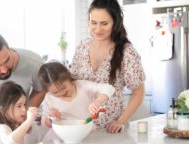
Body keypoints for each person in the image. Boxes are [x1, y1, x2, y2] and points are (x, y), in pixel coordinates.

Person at [70, 0, 145, 133]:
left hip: (110, 129)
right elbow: (72, 84)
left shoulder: (126, 52)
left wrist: (121, 121)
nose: (98, 29)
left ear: (115, 23)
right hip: (80, 126)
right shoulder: (82, 46)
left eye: (104, 23)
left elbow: (138, 92)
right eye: (93, 23)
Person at [38, 62, 115, 128]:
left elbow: (109, 88)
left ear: (69, 78)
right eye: (55, 92)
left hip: (87, 132)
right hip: (63, 135)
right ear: (48, 91)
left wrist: (97, 102)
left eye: (64, 87)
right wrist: (51, 119)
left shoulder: (82, 86)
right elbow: (43, 123)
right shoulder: (48, 98)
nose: (61, 93)